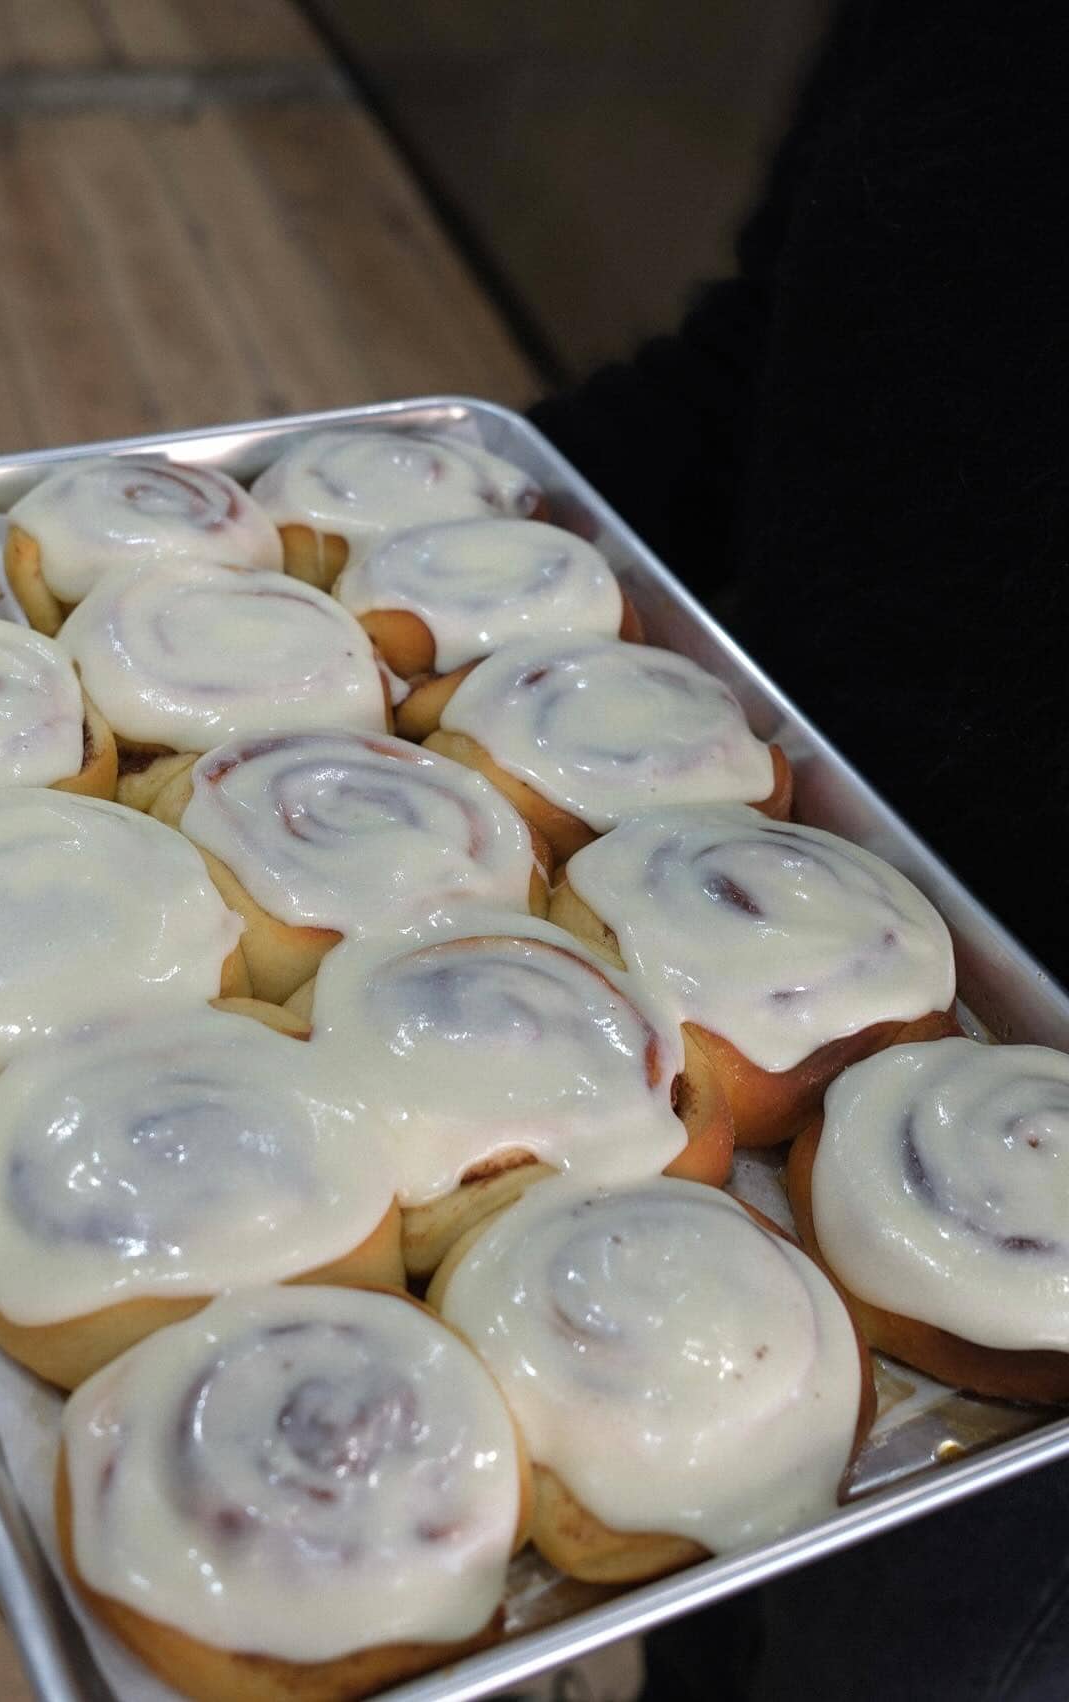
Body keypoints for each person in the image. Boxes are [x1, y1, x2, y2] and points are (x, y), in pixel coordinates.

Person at [528, 3, 1069, 1697]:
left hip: (1025, 1295)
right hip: (702, 911)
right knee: (691, 1593)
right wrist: (451, 518)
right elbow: (771, 355)